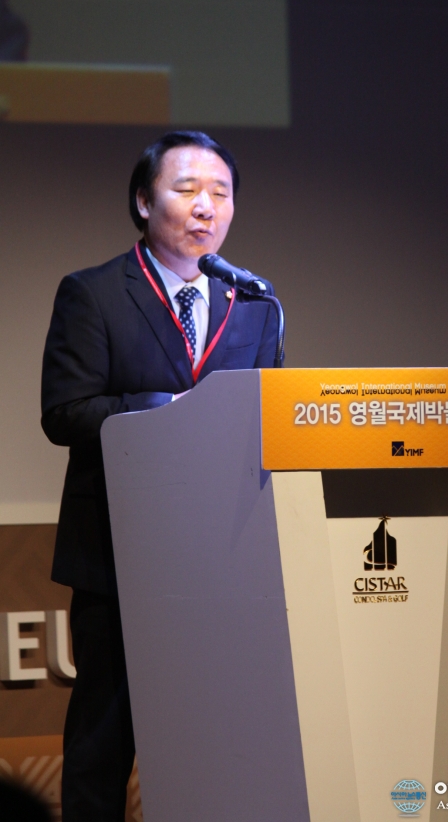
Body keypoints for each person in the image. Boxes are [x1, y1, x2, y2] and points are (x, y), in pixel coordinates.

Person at [41, 130, 278, 822]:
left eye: (221, 193)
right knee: (104, 740)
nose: (206, 206)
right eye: (187, 189)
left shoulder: (254, 302)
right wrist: (168, 410)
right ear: (144, 202)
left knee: (217, 740)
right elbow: (65, 412)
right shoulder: (93, 293)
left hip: (223, 560)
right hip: (119, 554)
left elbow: (264, 420)